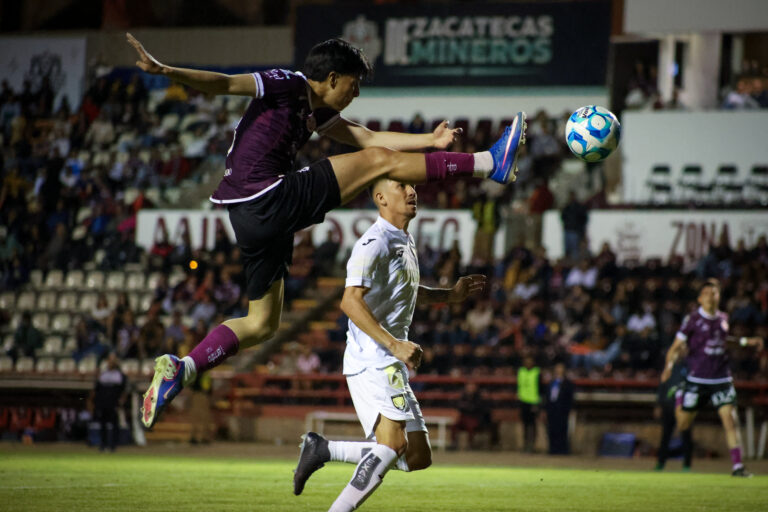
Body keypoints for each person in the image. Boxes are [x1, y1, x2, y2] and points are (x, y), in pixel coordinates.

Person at [126, 33, 526, 429]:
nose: (355, 95)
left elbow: (366, 136)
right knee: (376, 163)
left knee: (262, 323)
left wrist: (430, 140)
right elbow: (227, 84)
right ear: (332, 78)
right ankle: (489, 163)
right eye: (353, 86)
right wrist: (167, 71)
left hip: (250, 216)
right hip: (267, 196)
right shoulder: (288, 83)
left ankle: (185, 368)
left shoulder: (314, 110)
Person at [291, 177, 486, 511]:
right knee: (393, 445)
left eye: (412, 186)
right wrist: (395, 344)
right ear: (380, 198)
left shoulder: (403, 240)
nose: (412, 191)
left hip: (388, 357)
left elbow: (407, 292)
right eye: (401, 187)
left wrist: (449, 297)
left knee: (418, 456)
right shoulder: (374, 242)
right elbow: (349, 301)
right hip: (374, 357)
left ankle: (324, 450)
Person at [661, 279, 764, 477]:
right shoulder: (692, 320)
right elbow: (675, 347)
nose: (711, 295)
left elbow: (725, 341)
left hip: (721, 378)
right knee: (683, 423)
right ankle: (681, 395)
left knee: (730, 420)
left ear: (719, 296)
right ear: (700, 298)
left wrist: (746, 342)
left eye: (714, 292)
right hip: (697, 379)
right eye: (707, 292)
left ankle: (737, 466)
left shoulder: (723, 318)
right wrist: (668, 366)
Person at [91, 352, 128, 452]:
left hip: (114, 402)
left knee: (114, 424)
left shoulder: (120, 375)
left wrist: (121, 401)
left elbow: (124, 390)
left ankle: (113, 445)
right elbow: (96, 389)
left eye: (113, 360)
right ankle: (103, 444)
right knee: (103, 424)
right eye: (110, 360)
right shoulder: (102, 374)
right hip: (103, 402)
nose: (111, 363)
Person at [654, 361, 686, 471]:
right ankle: (660, 463)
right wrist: (659, 404)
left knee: (686, 435)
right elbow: (662, 385)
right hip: (668, 405)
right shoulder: (668, 366)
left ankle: (687, 465)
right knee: (666, 435)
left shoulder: (689, 365)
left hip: (684, 406)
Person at [545, 362, 574, 455]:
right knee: (552, 430)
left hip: (562, 410)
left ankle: (563, 449)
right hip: (552, 410)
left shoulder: (568, 383)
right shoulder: (551, 383)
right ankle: (553, 449)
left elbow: (570, 398)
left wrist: (569, 409)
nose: (559, 370)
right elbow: (547, 397)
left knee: (562, 430)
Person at [518, 355, 543, 453]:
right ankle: (525, 445)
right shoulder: (521, 371)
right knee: (525, 425)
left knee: (532, 425)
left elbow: (540, 388)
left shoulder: (537, 372)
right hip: (523, 401)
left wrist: (538, 403)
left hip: (533, 401)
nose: (528, 362)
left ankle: (532, 446)